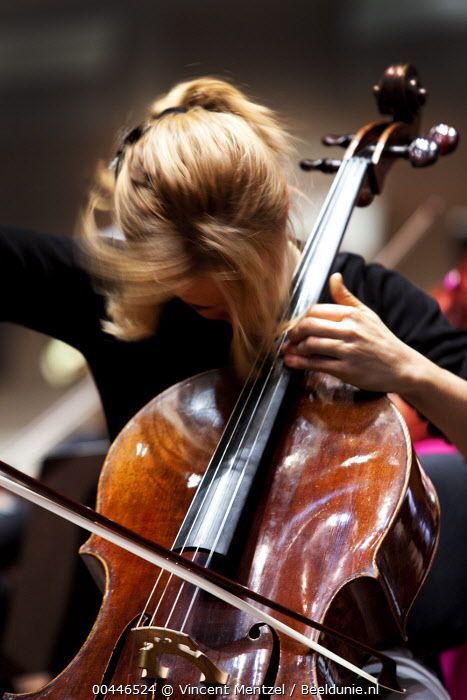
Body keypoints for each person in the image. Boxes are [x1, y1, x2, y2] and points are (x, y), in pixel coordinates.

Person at [1, 77, 467, 697]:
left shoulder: (359, 301)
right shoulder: (118, 294)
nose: (203, 308)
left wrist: (408, 369)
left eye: (234, 289)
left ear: (276, 225)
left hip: (325, 662)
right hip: (147, 657)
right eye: (184, 294)